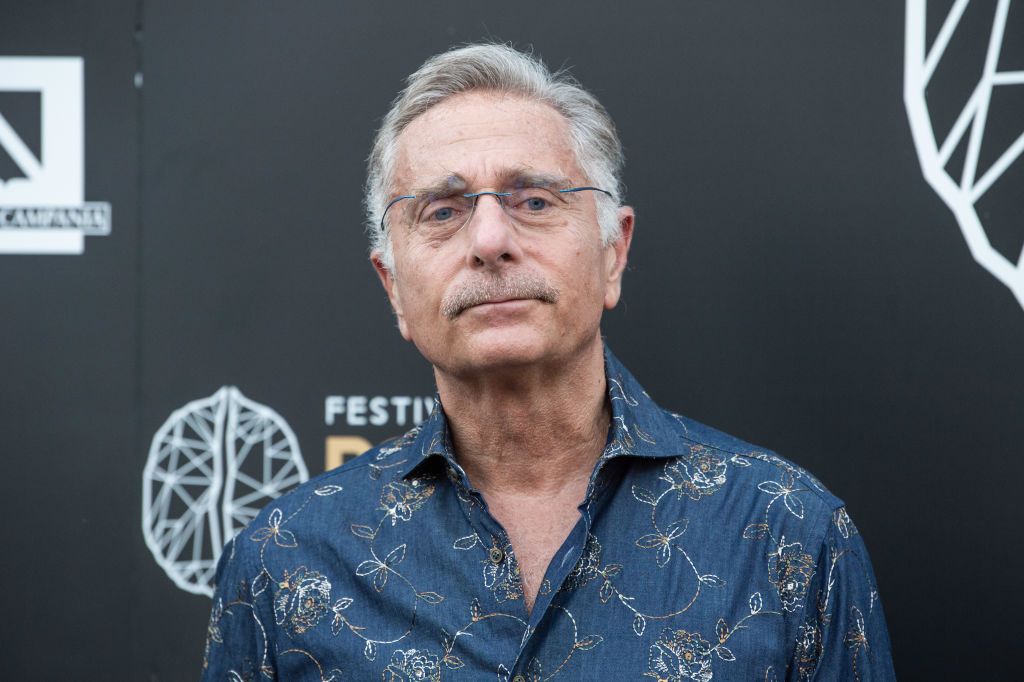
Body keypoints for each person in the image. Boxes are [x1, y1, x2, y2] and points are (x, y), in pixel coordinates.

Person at [202, 43, 896, 680]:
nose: (490, 239)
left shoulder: (785, 534)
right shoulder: (285, 560)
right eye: (441, 212)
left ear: (613, 252)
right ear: (393, 288)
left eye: (534, 200)